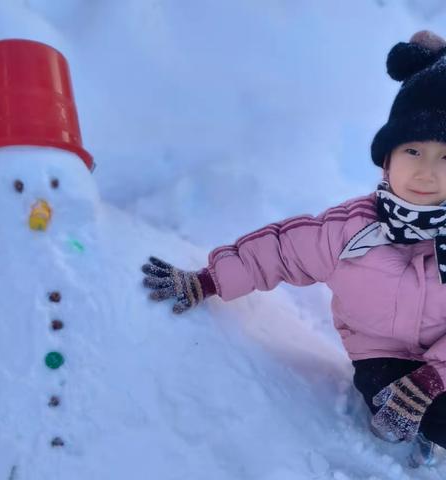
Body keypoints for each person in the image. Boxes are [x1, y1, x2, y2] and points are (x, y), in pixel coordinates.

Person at [142, 30, 446, 468]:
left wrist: (434, 375)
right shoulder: (350, 231)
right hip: (382, 356)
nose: (426, 171)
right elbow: (279, 251)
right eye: (413, 150)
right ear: (387, 159)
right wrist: (206, 281)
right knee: (426, 414)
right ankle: (402, 432)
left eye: (445, 158)